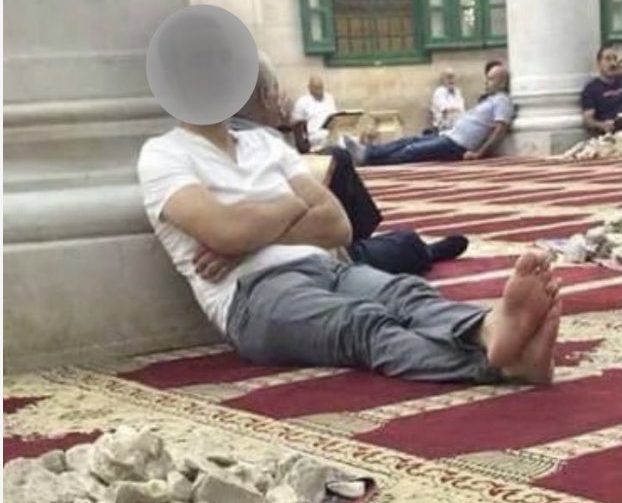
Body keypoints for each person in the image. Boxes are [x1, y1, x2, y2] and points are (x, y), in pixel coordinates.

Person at [137, 81, 562, 386]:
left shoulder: (264, 146)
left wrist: (252, 231)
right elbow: (226, 232)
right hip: (253, 296)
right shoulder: (163, 155)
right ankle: (500, 367)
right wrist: (288, 206)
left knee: (404, 294)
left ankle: (490, 329)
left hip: (324, 264)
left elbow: (336, 224)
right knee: (363, 324)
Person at [231, 55, 469, 277]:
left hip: (274, 248)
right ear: (264, 96)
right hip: (297, 266)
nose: (283, 99)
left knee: (338, 157)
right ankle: (415, 252)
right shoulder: (259, 148)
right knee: (403, 242)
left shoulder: (220, 143)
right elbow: (334, 227)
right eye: (276, 91)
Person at [345, 62, 514, 165]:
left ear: (503, 82)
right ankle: (367, 152)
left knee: (412, 151)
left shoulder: (503, 101)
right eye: (488, 78)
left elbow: (500, 129)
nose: (487, 82)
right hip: (449, 135)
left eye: (491, 79)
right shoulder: (489, 99)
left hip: (458, 145)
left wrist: (479, 153)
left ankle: (368, 157)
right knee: (408, 140)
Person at [292, 74, 338, 149]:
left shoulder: (329, 98)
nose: (320, 91)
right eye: (316, 88)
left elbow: (335, 118)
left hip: (332, 138)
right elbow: (297, 128)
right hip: (315, 141)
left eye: (321, 87)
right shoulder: (302, 102)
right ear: (309, 88)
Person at [429, 67, 466, 135]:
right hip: (443, 129)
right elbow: (445, 110)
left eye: (453, 77)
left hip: (457, 127)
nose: (451, 80)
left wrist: (454, 109)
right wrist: (454, 109)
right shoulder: (439, 92)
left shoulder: (457, 91)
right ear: (443, 80)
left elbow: (462, 109)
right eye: (448, 77)